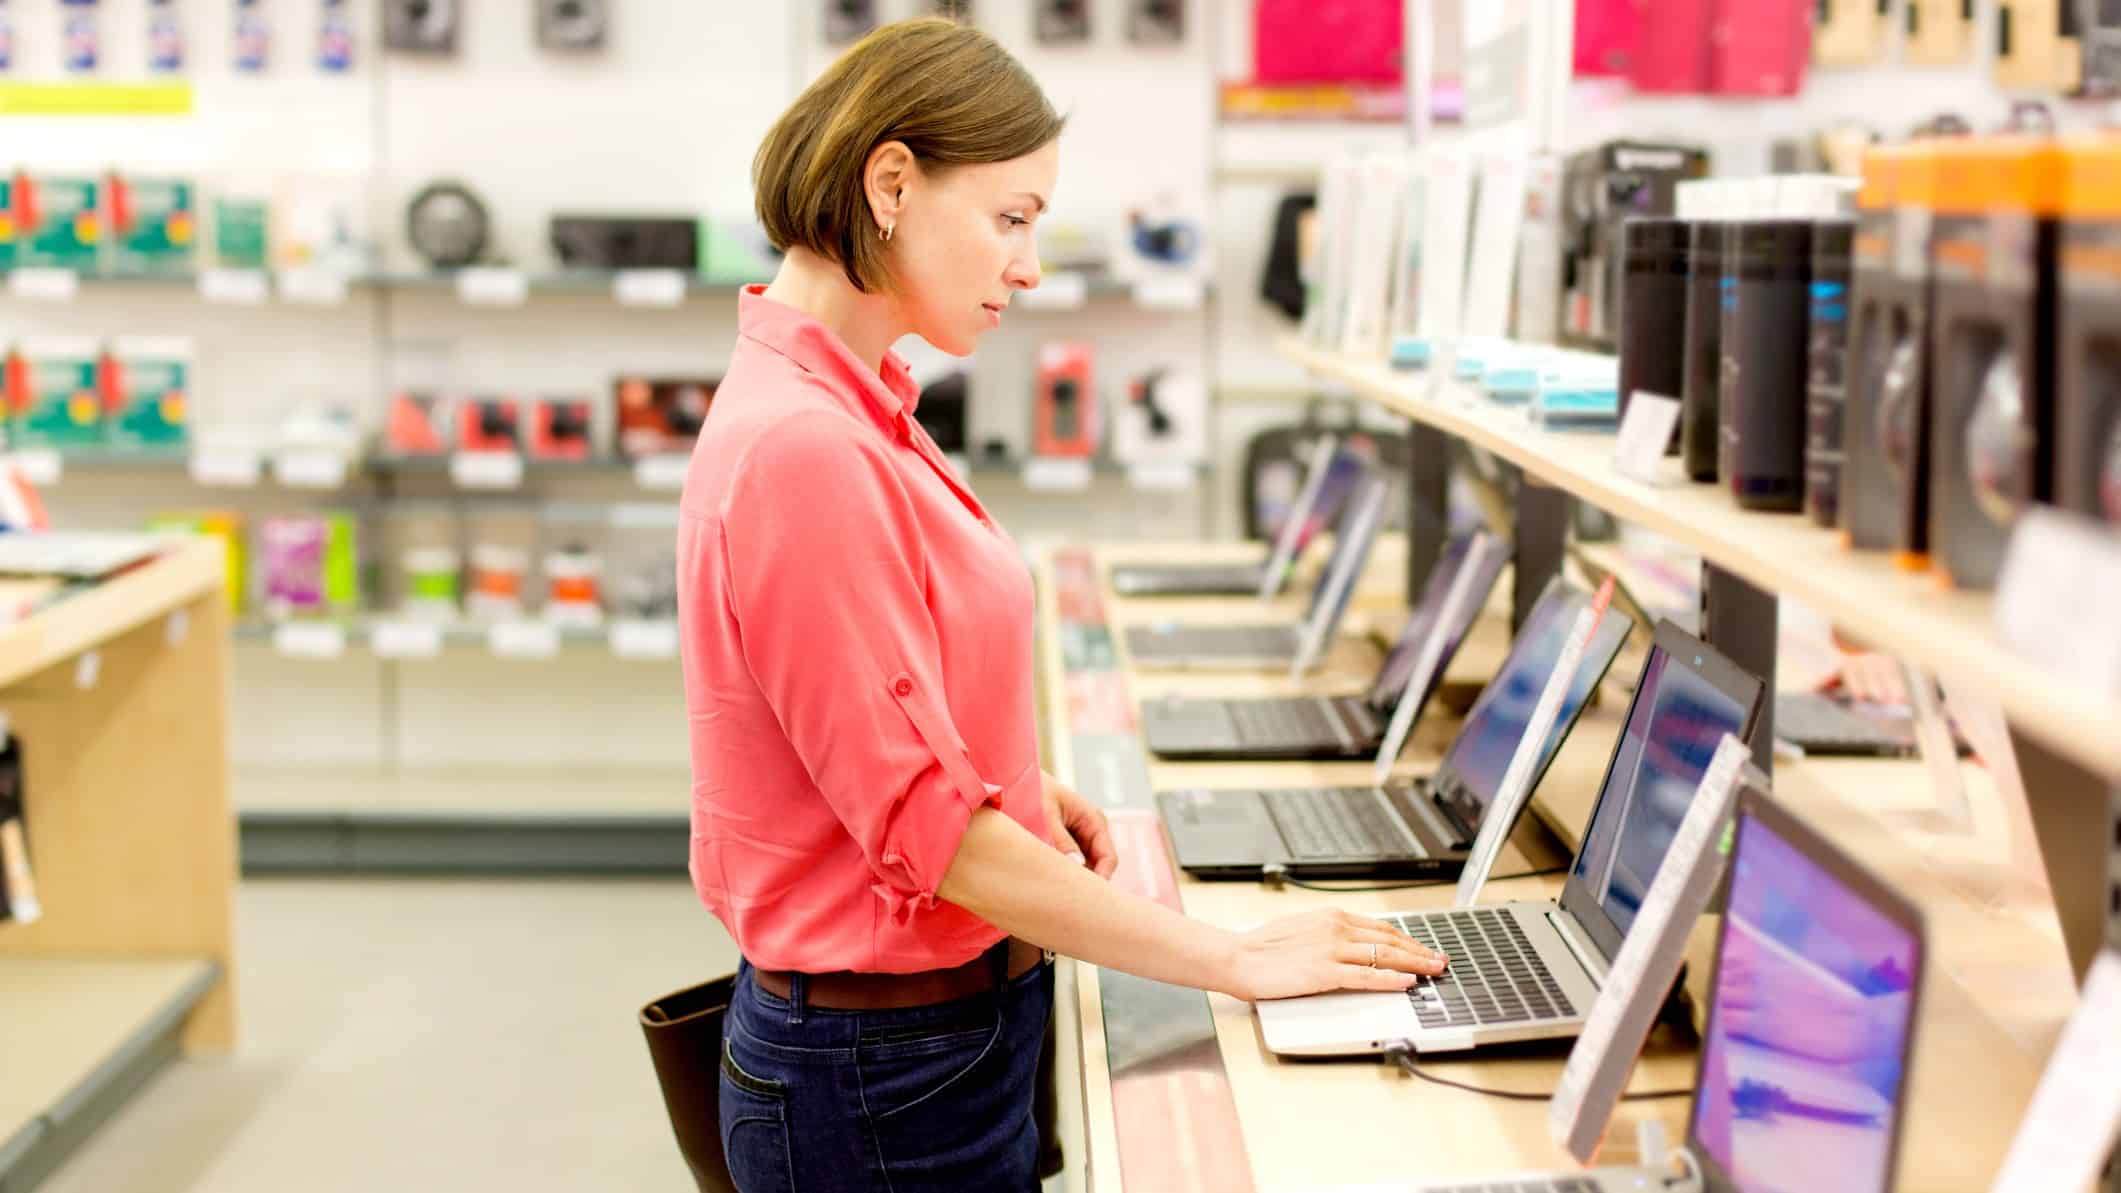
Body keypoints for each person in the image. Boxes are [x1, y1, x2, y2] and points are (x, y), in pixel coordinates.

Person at [675, 18, 1447, 1193]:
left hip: (920, 1049)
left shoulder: (854, 403)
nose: (1029, 266)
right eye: (1011, 217)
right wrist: (1235, 957)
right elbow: (931, 835)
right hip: (884, 1080)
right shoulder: (805, 446)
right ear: (891, 184)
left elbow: (867, 731)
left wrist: (1018, 783)